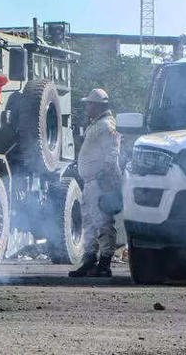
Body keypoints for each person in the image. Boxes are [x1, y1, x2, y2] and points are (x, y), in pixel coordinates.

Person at [69, 88, 121, 278]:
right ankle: (90, 261)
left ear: (98, 106)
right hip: (92, 182)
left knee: (103, 223)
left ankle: (104, 264)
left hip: (100, 183)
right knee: (90, 223)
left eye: (89, 104)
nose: (87, 107)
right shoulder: (98, 124)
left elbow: (112, 153)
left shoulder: (106, 125)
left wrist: (104, 177)